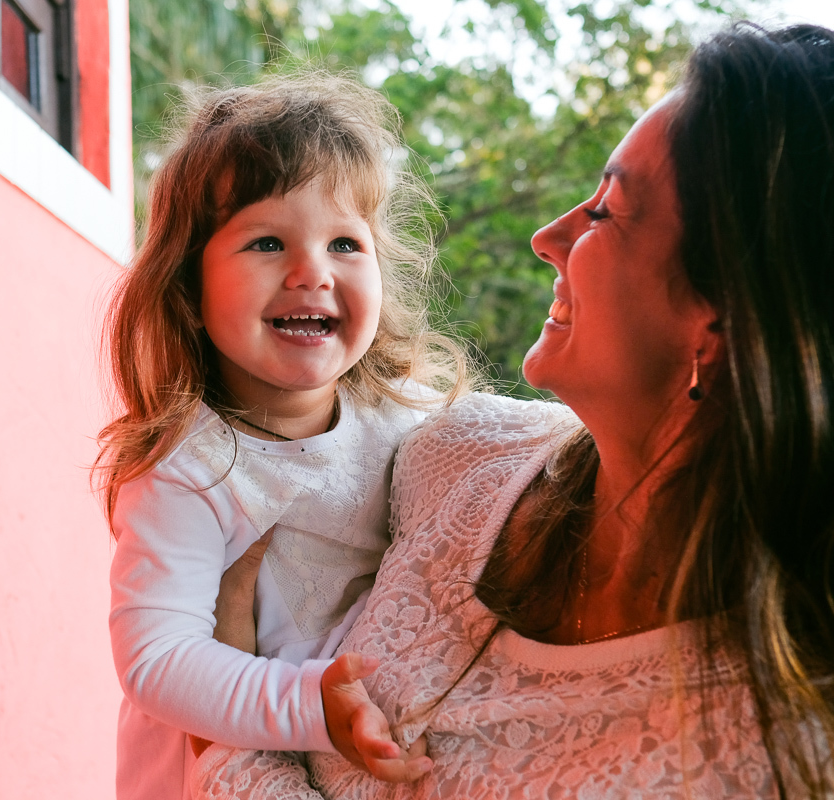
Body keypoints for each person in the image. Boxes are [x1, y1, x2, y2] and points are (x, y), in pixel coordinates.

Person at [193, 23, 834, 799]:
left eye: (606, 212)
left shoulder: (780, 754)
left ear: (723, 314)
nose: (547, 235)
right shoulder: (454, 454)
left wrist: (219, 692)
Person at [97, 73, 468, 800]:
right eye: (268, 241)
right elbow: (158, 660)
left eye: (344, 243)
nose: (313, 272)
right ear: (189, 292)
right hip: (214, 771)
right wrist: (309, 706)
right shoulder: (189, 467)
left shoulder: (410, 420)